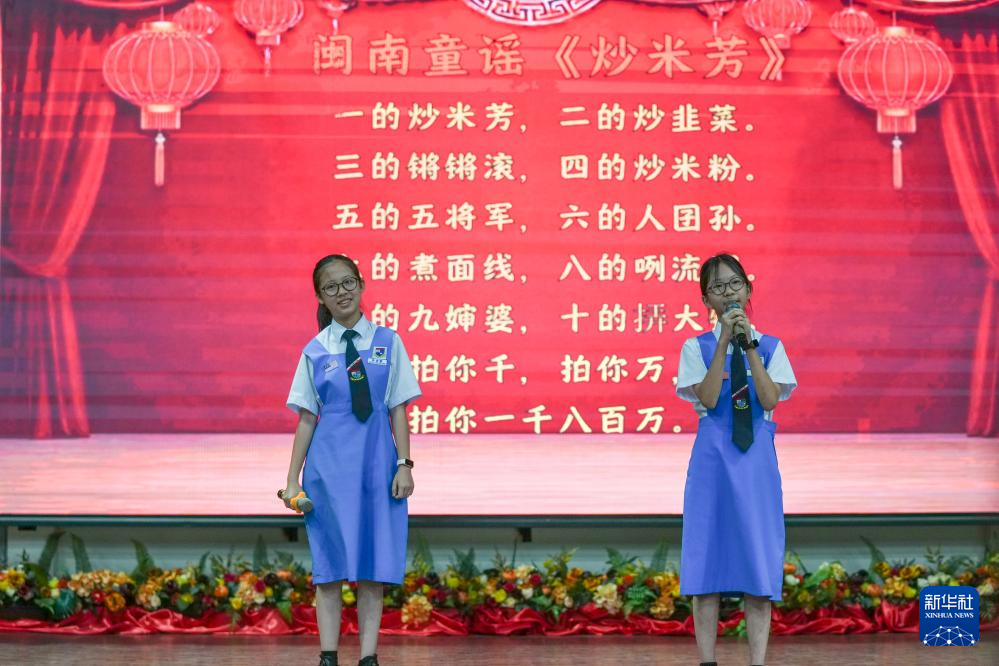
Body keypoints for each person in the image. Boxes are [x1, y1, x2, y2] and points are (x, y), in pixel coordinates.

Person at [283, 254, 421, 666]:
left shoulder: (388, 341)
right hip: (328, 470)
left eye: (347, 283)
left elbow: (398, 407)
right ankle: (328, 656)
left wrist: (405, 464)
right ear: (320, 297)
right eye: (331, 287)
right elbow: (308, 418)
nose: (341, 293)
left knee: (372, 567)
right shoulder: (314, 350)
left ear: (361, 285)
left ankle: (368, 657)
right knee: (329, 567)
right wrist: (292, 480)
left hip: (376, 466)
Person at [675, 254, 797, 666]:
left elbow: (769, 398)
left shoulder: (773, 346)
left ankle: (757, 661)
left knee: (757, 567)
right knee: (706, 565)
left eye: (734, 284)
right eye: (717, 287)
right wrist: (725, 342)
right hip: (712, 464)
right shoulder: (696, 347)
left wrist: (749, 348)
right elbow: (708, 398)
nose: (728, 293)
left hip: (756, 464)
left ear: (748, 289)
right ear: (706, 298)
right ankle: (707, 661)